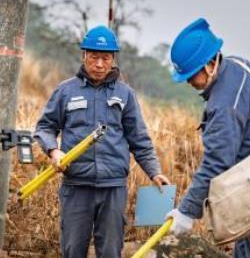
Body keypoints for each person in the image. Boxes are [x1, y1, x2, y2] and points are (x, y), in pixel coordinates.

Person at [164, 18, 250, 258]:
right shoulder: (237, 67)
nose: (188, 82)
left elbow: (217, 162)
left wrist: (186, 212)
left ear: (208, 65)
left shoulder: (225, 103)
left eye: (190, 75)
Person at [34, 25, 170, 258]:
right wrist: (54, 151)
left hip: (113, 189)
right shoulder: (65, 91)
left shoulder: (125, 94)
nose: (99, 64)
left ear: (113, 59)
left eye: (105, 58)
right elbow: (45, 127)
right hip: (76, 187)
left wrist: (155, 172)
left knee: (110, 252)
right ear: (84, 55)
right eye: (94, 57)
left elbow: (139, 139)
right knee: (72, 250)